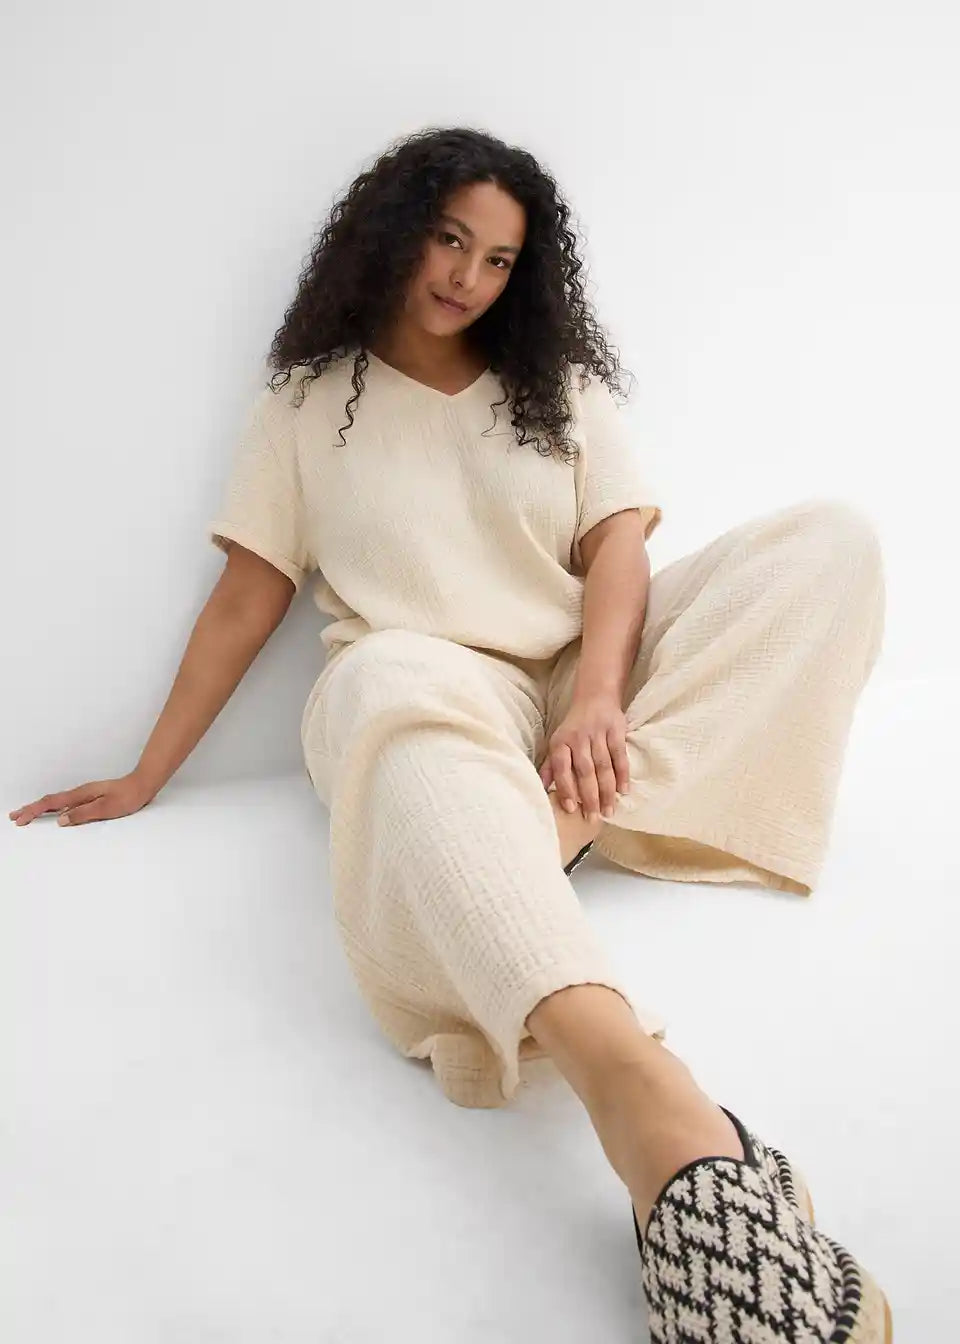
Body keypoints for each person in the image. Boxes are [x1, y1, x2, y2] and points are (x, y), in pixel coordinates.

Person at [9, 126, 891, 1342]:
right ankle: (645, 1096)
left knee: (827, 546)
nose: (469, 276)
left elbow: (618, 550)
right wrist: (146, 773)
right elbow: (246, 602)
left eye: (499, 259)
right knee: (379, 690)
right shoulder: (304, 407)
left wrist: (597, 698)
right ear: (394, 230)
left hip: (580, 678)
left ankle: (528, 839)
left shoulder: (557, 385)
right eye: (449, 239)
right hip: (425, 681)